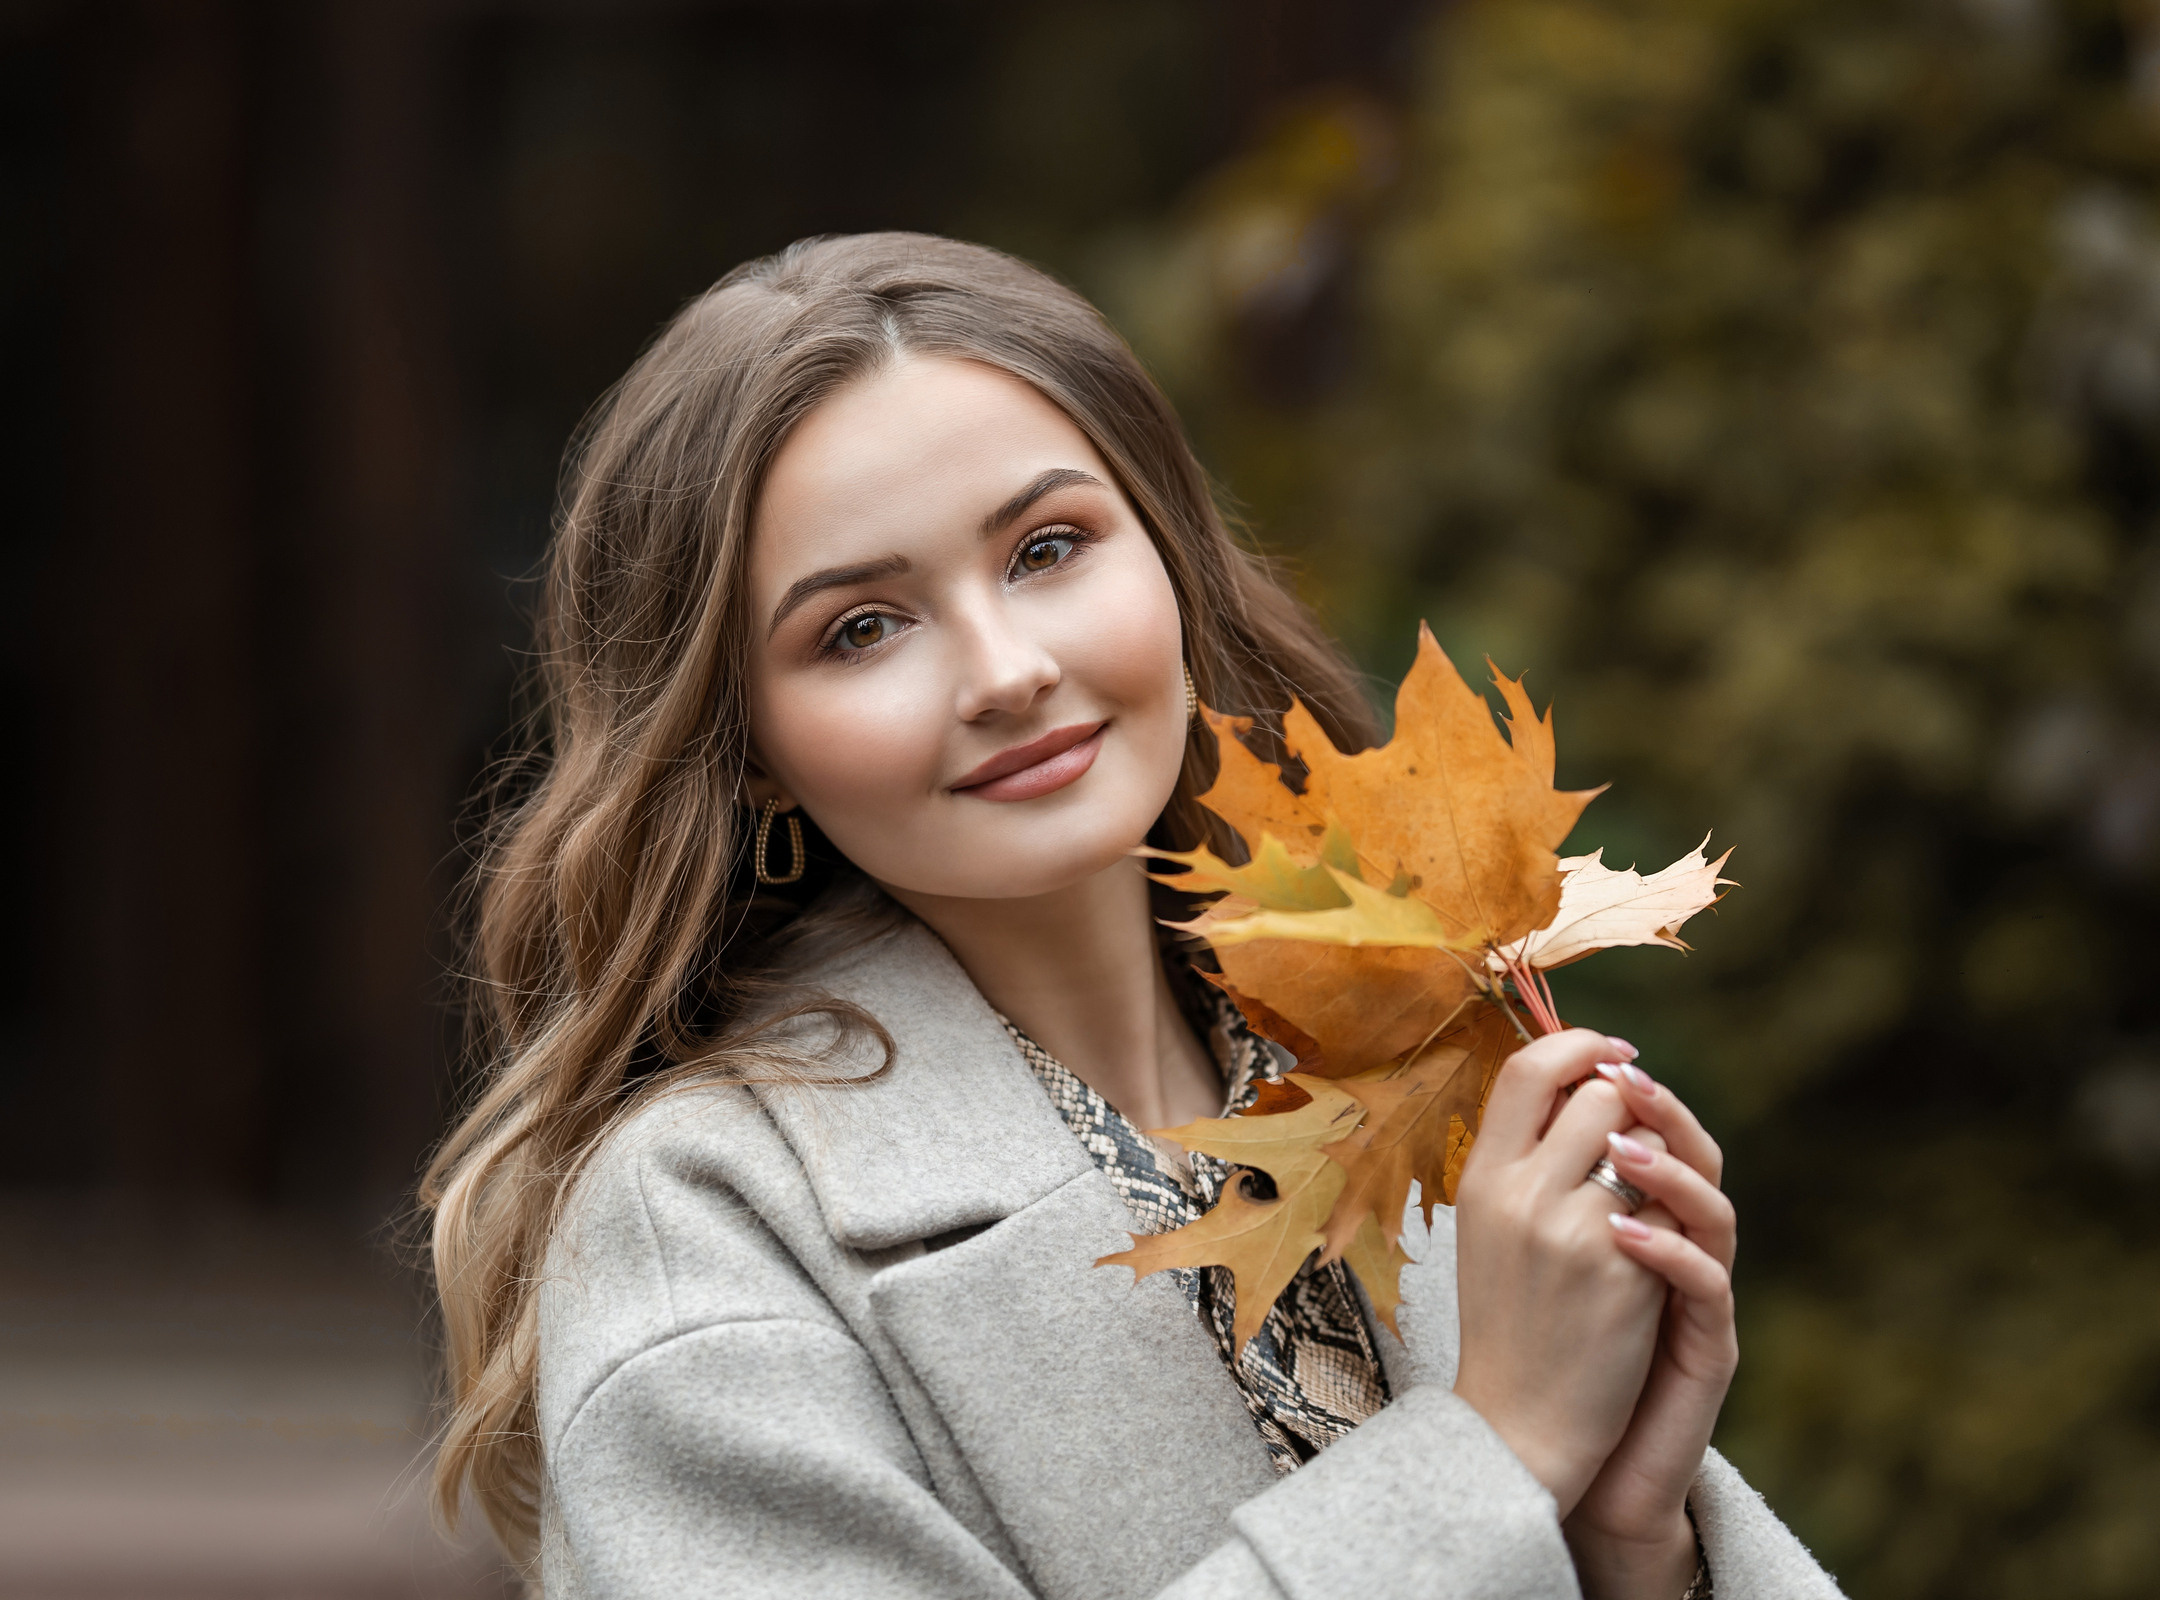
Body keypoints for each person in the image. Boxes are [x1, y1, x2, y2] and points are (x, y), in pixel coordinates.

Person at [422, 232, 1842, 1600]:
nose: (1005, 669)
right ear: (745, 747)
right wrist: (1491, 1458)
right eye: (860, 627)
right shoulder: (709, 1228)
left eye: (1047, 548)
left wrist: (1632, 1545)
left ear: (1164, 552)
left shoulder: (1405, 1056)